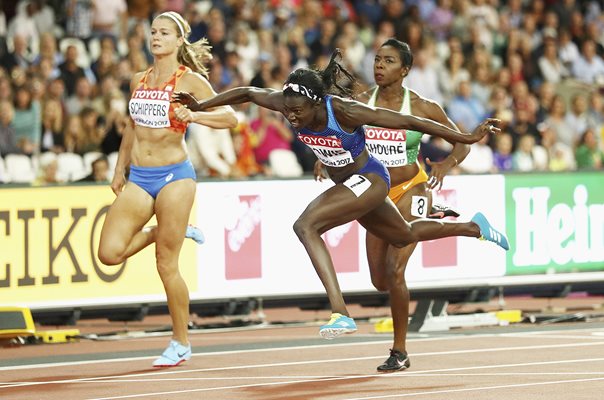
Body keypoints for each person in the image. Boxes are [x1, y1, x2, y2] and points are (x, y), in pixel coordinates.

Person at [173, 49, 508, 343]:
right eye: (287, 110)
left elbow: (407, 119)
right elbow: (247, 92)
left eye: (298, 112)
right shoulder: (287, 101)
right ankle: (473, 228)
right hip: (350, 185)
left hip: (371, 179)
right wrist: (203, 104)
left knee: (305, 225)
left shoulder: (344, 111)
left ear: (316, 102)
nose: (292, 117)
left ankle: (340, 312)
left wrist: (464, 136)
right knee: (404, 233)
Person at [97, 11, 237, 368]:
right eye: (153, 32)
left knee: (166, 265)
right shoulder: (138, 79)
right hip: (140, 178)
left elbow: (230, 118)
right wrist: (119, 168)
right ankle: (166, 231)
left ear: (178, 41)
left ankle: (180, 342)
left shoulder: (189, 81)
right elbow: (132, 124)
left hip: (176, 177)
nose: (156, 37)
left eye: (164, 33)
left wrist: (197, 116)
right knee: (109, 253)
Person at [348, 38, 485, 372]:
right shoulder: (361, 101)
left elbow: (461, 144)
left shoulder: (422, 106)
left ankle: (399, 351)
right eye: (377, 59)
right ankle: (442, 219)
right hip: (375, 193)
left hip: (412, 187)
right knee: (380, 281)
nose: (379, 65)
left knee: (396, 271)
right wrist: (328, 159)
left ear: (405, 70)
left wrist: (445, 164)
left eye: (388, 61)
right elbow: (340, 134)